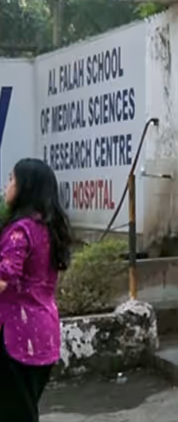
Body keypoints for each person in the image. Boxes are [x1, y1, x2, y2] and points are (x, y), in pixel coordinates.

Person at [0, 158, 72, 421]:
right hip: (45, 334)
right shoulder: (49, 230)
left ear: (25, 188)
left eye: (11, 180)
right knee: (24, 408)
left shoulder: (20, 231)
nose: (6, 186)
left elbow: (3, 280)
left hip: (16, 336)